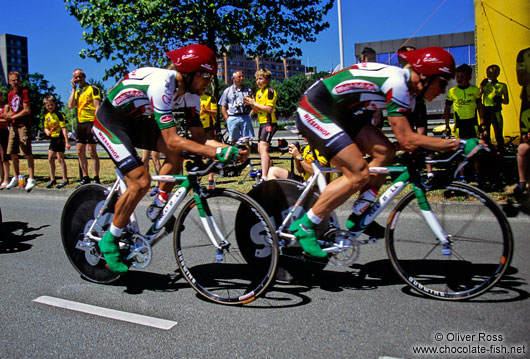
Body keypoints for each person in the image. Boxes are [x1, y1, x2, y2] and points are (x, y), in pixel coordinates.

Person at [290, 47, 481, 258]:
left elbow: (408, 141)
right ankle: (306, 224)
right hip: (316, 108)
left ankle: (360, 211)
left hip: (341, 112)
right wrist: (458, 144)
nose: (443, 90)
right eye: (442, 83)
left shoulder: (410, 95)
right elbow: (407, 140)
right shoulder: (397, 83)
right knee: (358, 172)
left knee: (385, 151)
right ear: (426, 76)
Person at [93, 44, 243, 273]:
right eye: (205, 76)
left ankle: (158, 206)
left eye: (211, 77)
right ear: (189, 72)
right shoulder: (163, 84)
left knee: (177, 153)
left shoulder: (192, 97)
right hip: (110, 121)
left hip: (137, 123)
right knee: (140, 181)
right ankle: (109, 240)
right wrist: (216, 153)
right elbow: (172, 139)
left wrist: (229, 149)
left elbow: (200, 139)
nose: (208, 83)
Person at [443, 64, 484, 183]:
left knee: (475, 148)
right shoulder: (452, 91)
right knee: (459, 149)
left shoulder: (475, 90)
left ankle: (477, 174)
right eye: (457, 76)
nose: (459, 79)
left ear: (469, 77)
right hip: (460, 125)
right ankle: (462, 176)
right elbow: (447, 109)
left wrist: (482, 122)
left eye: (462, 76)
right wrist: (446, 125)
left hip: (473, 123)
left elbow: (480, 106)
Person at [398, 46, 433, 179]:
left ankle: (429, 170)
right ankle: (411, 169)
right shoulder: (401, 73)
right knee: (409, 139)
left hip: (419, 106)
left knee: (422, 136)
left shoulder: (418, 70)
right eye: (407, 54)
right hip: (407, 108)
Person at [67, 68, 101, 186]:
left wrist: (96, 124)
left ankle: (96, 177)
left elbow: (97, 106)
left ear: (84, 76)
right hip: (80, 123)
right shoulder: (77, 92)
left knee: (92, 152)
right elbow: (70, 105)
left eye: (79, 76)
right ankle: (85, 177)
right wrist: (73, 89)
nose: (78, 79)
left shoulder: (93, 89)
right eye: (75, 77)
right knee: (79, 151)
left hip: (91, 122)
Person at [4, 71, 36, 192]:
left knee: (26, 151)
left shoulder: (24, 92)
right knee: (12, 151)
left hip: (23, 125)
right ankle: (16, 176)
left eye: (17, 80)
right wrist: (7, 116)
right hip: (13, 126)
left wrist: (12, 117)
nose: (15, 82)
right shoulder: (10, 94)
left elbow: (26, 110)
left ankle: (31, 177)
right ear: (9, 82)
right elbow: (12, 109)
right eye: (13, 80)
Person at [244, 68, 277, 185]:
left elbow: (269, 109)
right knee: (260, 149)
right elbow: (258, 110)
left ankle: (264, 177)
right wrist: (252, 105)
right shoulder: (258, 93)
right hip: (262, 123)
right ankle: (272, 171)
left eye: (261, 79)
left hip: (269, 122)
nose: (258, 81)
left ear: (267, 80)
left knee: (263, 148)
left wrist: (254, 103)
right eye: (256, 79)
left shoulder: (270, 91)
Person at [42, 95, 71, 188]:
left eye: (51, 105)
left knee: (60, 158)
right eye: (48, 105)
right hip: (53, 139)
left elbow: (64, 128)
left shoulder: (59, 114)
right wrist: (46, 131)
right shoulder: (47, 116)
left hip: (60, 138)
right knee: (50, 158)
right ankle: (52, 179)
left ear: (54, 104)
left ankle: (65, 179)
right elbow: (45, 127)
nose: (50, 107)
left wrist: (67, 142)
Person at [219, 71, 254, 144]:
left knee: (246, 140)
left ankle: (246, 154)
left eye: (242, 76)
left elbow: (254, 104)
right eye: (239, 77)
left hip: (245, 116)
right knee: (234, 141)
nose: (242, 78)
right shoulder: (227, 91)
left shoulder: (248, 90)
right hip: (232, 117)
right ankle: (236, 154)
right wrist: (227, 118)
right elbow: (223, 106)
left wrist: (250, 115)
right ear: (234, 78)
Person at [480, 64, 509, 153]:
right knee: (485, 133)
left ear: (498, 73)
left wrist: (500, 99)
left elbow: (506, 101)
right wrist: (481, 86)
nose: (490, 75)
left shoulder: (502, 85)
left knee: (498, 133)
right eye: (488, 73)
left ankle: (501, 151)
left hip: (496, 111)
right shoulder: (485, 84)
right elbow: (477, 96)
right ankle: (486, 151)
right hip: (486, 110)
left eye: (493, 73)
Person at [515, 47, 530, 196]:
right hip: (527, 105)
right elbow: (521, 79)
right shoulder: (524, 54)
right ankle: (522, 182)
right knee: (523, 147)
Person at [200, 90, 218, 189]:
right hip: (197, 128)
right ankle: (197, 178)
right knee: (198, 153)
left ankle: (210, 180)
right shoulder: (194, 98)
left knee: (210, 154)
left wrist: (206, 111)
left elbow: (215, 113)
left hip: (209, 128)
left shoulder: (210, 98)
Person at [0, 93, 11, 189]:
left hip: (3, 133)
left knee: (4, 157)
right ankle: (1, 178)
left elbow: (7, 120)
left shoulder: (5, 107)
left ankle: (6, 179)